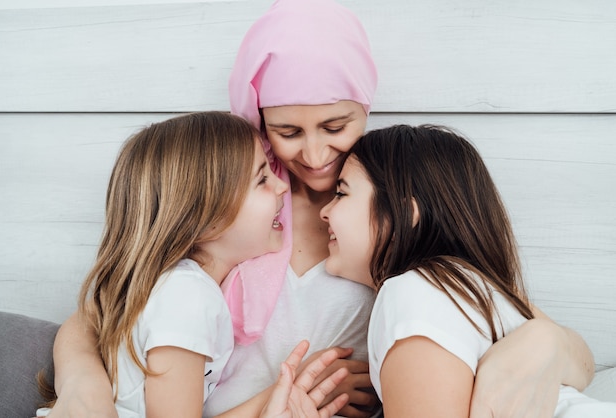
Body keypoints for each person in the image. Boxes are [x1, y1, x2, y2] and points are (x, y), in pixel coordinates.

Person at [49, 1, 596, 417]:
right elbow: (104, 307)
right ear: (260, 122)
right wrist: (81, 384)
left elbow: (531, 326)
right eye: (286, 132)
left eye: (337, 126)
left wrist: (540, 344)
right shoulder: (231, 201)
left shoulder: (384, 204)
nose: (314, 155)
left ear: (365, 106)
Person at [38, 111, 352, 418]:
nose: (282, 186)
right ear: (207, 219)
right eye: (262, 179)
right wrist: (280, 396)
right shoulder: (189, 296)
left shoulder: (176, 289)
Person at [320, 124, 616, 417]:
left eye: (341, 194)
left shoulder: (414, 291)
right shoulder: (467, 287)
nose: (324, 211)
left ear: (401, 216)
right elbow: (582, 362)